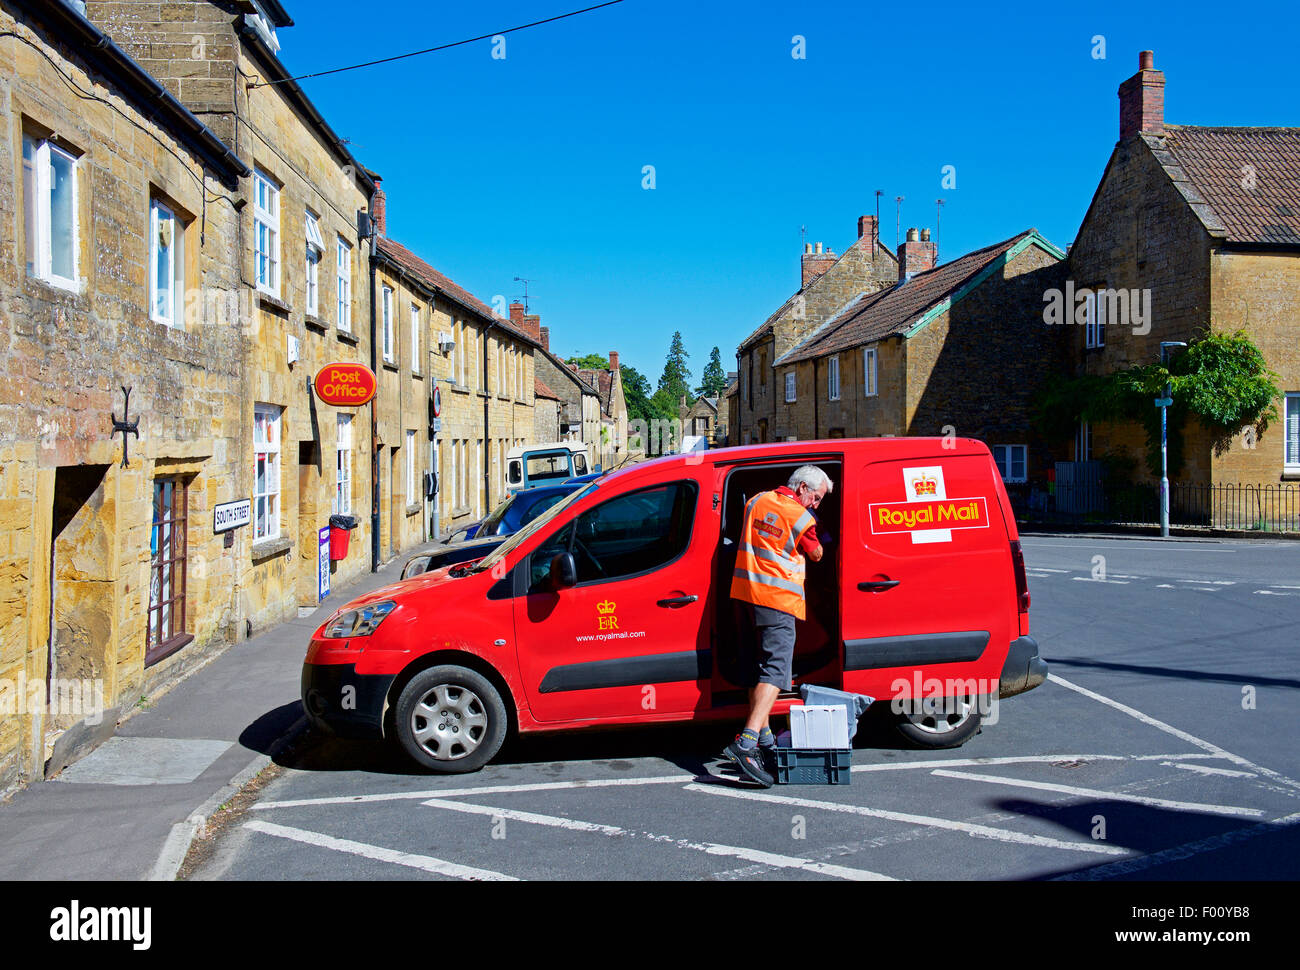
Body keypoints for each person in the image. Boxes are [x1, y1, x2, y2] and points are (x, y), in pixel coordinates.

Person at [724, 465, 832, 786]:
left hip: (745, 594)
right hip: (777, 600)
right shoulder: (802, 519)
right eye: (815, 497)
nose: (816, 504)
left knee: (758, 669)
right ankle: (746, 742)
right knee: (776, 670)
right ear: (800, 488)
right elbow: (817, 554)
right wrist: (823, 536)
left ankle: (767, 735)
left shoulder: (755, 501)